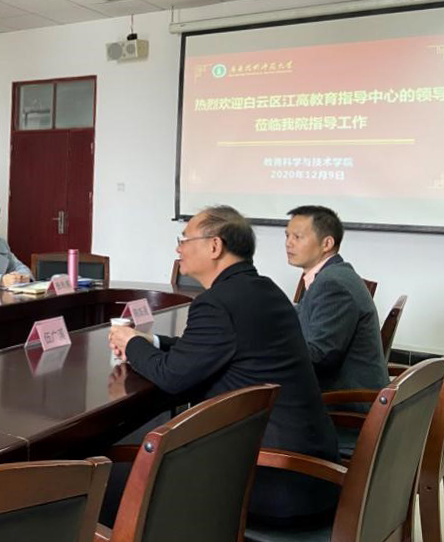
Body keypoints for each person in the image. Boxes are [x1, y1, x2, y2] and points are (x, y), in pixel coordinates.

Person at [108, 205, 339, 525]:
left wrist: (130, 344)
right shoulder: (264, 289)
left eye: (184, 239)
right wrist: (152, 341)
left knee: (113, 480)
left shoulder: (216, 303)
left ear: (215, 246)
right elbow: (216, 349)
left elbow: (172, 376)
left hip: (274, 478)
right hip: (308, 473)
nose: (178, 249)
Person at [285, 205, 388, 395]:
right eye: (287, 236)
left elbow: (320, 357)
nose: (288, 243)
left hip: (344, 403)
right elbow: (304, 315)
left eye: (297, 237)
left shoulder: (332, 284)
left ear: (327, 243)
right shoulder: (330, 275)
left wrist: (269, 348)